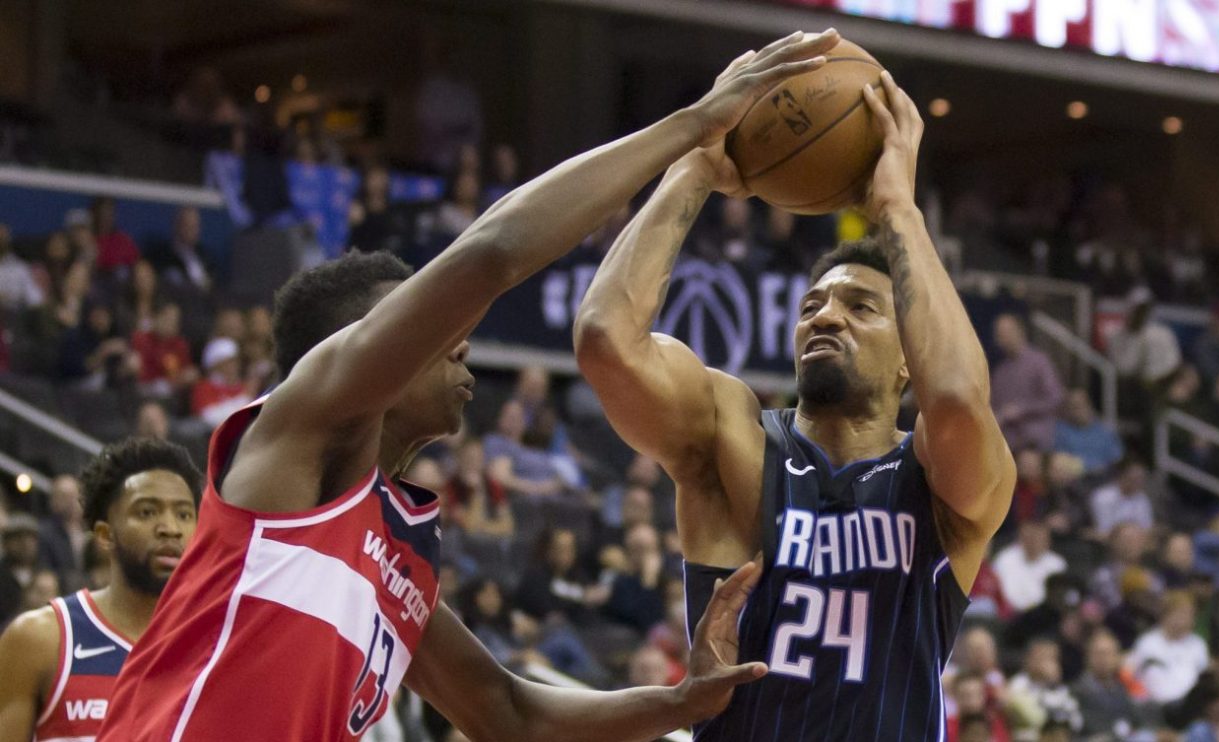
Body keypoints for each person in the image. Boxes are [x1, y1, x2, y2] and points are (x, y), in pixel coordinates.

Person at [99, 31, 837, 742]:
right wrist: (692, 129)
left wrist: (683, 701)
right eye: (424, 322)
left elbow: (508, 716)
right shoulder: (305, 426)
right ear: (361, 346)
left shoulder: (400, 551)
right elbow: (491, 254)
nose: (458, 338)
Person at [573, 68, 1014, 739]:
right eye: (812, 306)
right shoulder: (735, 438)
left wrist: (898, 211)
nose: (825, 317)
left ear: (908, 356)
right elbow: (606, 339)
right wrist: (693, 168)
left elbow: (955, 396)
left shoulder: (935, 479)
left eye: (860, 306)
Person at [0, 437, 201, 742]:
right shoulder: (41, 638)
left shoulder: (218, 646)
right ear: (105, 535)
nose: (170, 527)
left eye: (184, 514)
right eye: (147, 512)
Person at [989, 313, 1064, 451]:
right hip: (1007, 446)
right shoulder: (1000, 372)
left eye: (1007, 332)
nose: (1003, 338)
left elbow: (1055, 398)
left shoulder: (1039, 362)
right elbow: (994, 407)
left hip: (1035, 442)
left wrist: (1022, 409)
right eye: (999, 334)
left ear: (1021, 331)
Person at [992, 520, 1067, 614]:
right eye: (1030, 538)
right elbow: (996, 589)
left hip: (1042, 615)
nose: (1034, 542)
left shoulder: (1056, 564)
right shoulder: (1005, 558)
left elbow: (1056, 597)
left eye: (1038, 538)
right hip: (1007, 613)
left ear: (1047, 541)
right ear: (1021, 538)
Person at [1053, 389, 1123, 475]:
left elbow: (1117, 459)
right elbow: (1060, 461)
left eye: (1079, 406)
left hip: (1105, 478)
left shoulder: (1105, 430)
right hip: (1075, 479)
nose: (1076, 411)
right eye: (1072, 407)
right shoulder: (1061, 432)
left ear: (1089, 406)